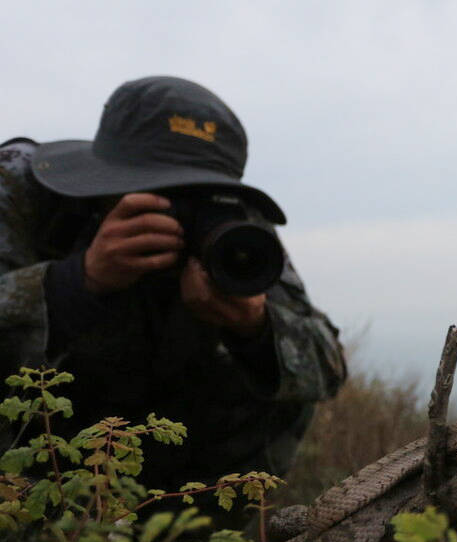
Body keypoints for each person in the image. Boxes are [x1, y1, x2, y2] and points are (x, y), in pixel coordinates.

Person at [0, 76, 347, 494]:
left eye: (197, 196)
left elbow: (327, 363)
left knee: (284, 382)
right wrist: (77, 283)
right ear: (102, 181)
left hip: (163, 455)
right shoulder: (21, 188)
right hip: (33, 438)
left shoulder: (235, 226)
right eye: (158, 192)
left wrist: (254, 328)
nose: (180, 212)